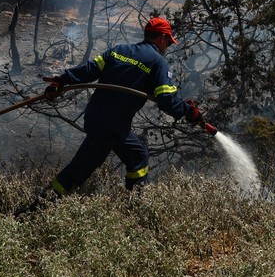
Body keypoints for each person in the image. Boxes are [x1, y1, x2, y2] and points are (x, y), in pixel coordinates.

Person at [34, 16, 205, 200]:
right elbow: (166, 99)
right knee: (80, 169)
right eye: (169, 43)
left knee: (138, 155)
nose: (167, 47)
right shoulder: (158, 62)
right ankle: (40, 205)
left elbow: (89, 69)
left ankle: (134, 201)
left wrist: (61, 80)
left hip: (98, 118)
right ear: (162, 38)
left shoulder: (119, 50)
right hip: (112, 125)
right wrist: (188, 111)